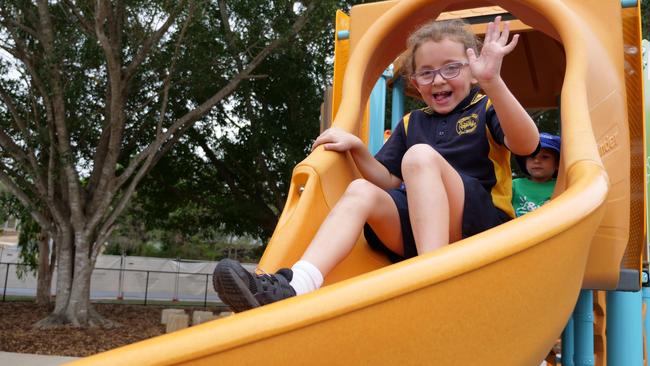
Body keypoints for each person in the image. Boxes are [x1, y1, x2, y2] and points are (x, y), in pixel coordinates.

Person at [213, 16, 540, 313]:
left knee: (419, 156)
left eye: (451, 68)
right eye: (426, 72)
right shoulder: (413, 122)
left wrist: (494, 83)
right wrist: (357, 147)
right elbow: (387, 180)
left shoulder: (485, 107)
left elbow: (527, 144)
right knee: (360, 190)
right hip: (419, 232)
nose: (438, 80)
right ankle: (297, 284)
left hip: (480, 227)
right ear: (415, 80)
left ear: (471, 70)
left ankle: (433, 276)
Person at [512, 133, 561, 217]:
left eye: (545, 157)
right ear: (525, 162)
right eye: (532, 156)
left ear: (557, 164)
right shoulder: (514, 185)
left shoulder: (562, 185)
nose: (537, 161)